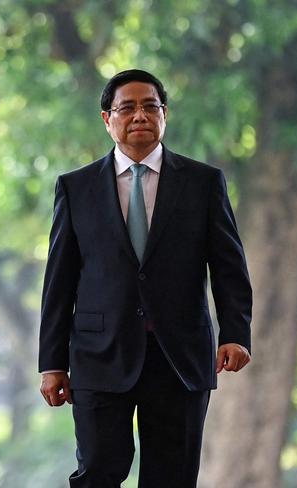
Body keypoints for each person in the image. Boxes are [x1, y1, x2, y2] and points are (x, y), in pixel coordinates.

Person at [38, 69, 252, 487]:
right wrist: (52, 363)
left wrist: (236, 332)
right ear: (107, 118)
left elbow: (229, 266)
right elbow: (59, 281)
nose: (140, 115)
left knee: (171, 477)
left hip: (180, 355)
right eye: (127, 107)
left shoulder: (203, 183)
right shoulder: (76, 187)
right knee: (98, 470)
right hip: (100, 354)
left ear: (165, 114)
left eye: (150, 106)